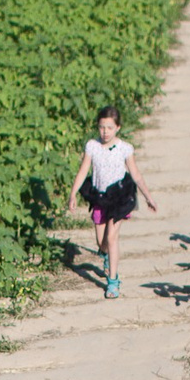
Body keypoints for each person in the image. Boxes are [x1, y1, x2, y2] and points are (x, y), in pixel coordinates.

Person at [65, 105, 159, 299]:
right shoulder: (92, 146)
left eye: (109, 127)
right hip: (100, 196)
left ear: (118, 127)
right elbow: (83, 171)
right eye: (101, 127)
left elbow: (136, 175)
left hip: (119, 196)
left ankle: (113, 282)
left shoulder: (125, 149)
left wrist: (148, 197)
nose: (105, 132)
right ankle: (106, 256)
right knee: (102, 242)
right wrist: (73, 194)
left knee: (112, 238)